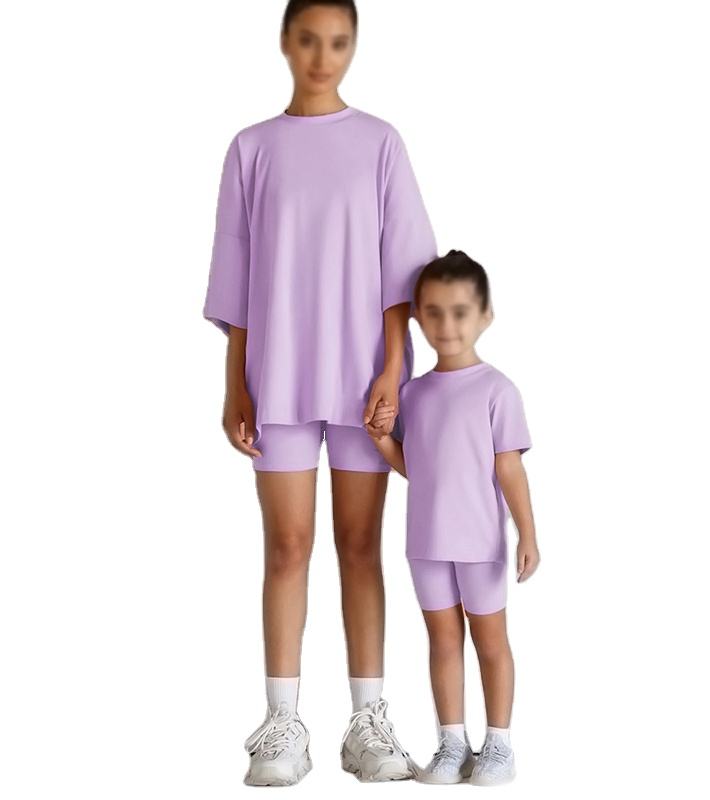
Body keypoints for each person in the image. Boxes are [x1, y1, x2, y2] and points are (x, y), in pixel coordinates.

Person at [202, 0, 437, 786]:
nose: (322, 56)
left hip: (366, 379)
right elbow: (236, 273)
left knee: (361, 545)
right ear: (284, 42)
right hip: (277, 375)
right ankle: (282, 724)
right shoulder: (252, 148)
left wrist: (391, 370)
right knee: (288, 545)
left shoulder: (379, 143)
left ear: (353, 47)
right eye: (308, 40)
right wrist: (234, 382)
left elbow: (404, 271)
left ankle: (368, 724)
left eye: (338, 42)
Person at [366, 249, 540, 786]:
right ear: (418, 317)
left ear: (485, 315)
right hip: (426, 543)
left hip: (481, 542)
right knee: (442, 640)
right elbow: (417, 467)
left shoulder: (497, 391)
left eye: (460, 312)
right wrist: (381, 441)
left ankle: (500, 745)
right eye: (435, 312)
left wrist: (527, 534)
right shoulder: (413, 394)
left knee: (490, 641)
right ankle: (452, 743)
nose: (447, 325)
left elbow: (508, 468)